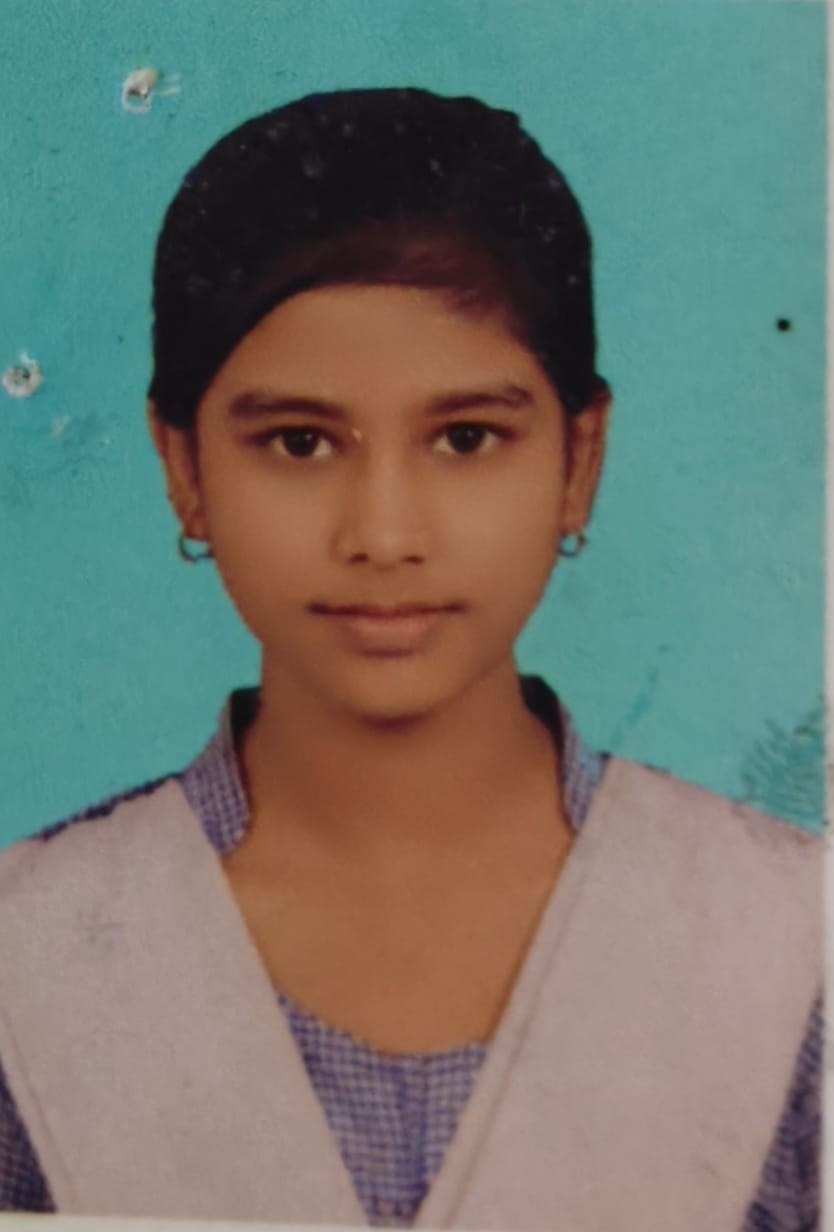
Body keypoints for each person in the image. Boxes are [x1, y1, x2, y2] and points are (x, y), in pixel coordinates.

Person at [0, 88, 821, 1231]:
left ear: (579, 459)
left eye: (466, 437)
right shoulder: (31, 955)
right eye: (300, 441)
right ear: (182, 466)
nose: (383, 534)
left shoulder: (788, 937)